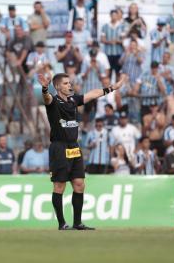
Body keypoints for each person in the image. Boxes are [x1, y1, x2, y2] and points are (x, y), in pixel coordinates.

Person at [37, 70, 127, 230]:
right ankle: (62, 223)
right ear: (57, 86)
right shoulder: (54, 101)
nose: (69, 85)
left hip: (74, 146)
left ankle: (77, 223)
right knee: (59, 186)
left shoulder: (73, 100)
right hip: (59, 147)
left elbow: (92, 94)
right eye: (65, 83)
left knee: (79, 184)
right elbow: (47, 98)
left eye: (69, 82)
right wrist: (45, 88)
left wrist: (113, 87)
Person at [101, 10, 125, 81]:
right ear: (110, 16)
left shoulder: (122, 26)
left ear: (118, 16)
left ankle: (117, 91)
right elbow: (102, 39)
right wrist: (109, 42)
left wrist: (118, 41)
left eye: (115, 15)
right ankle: (108, 91)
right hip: (108, 54)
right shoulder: (105, 26)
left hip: (119, 54)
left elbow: (124, 40)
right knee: (108, 73)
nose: (114, 17)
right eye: (112, 15)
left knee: (118, 73)